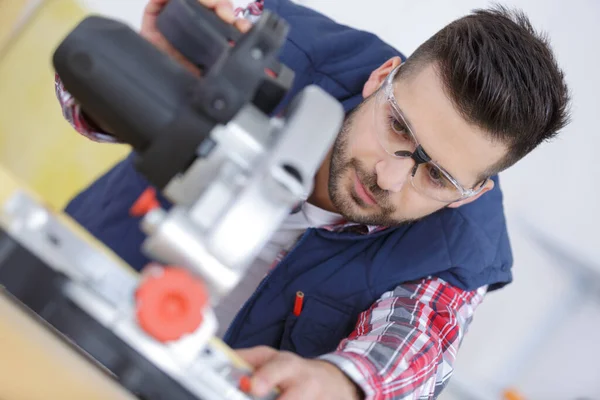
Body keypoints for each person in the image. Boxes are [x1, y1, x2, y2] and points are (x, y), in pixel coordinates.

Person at [54, 0, 570, 398]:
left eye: (435, 177)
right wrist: (144, 76)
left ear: (470, 194)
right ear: (381, 78)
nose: (389, 178)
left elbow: (412, 351)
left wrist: (339, 382)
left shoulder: (463, 253)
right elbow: (78, 81)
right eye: (397, 126)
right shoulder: (272, 41)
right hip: (65, 299)